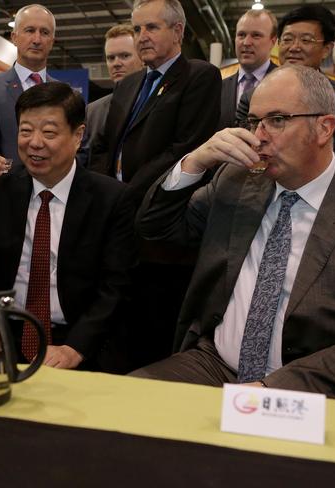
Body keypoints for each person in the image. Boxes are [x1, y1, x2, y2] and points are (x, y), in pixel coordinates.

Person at [132, 65, 335, 400]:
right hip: (213, 367)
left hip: (306, 388)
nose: (259, 136)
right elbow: (156, 228)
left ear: (324, 127)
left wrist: (269, 390)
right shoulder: (236, 181)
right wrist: (195, 162)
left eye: (277, 120)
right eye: (254, 121)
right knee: (124, 406)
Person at [0, 82, 137, 372]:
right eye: (25, 130)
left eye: (49, 132)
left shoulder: (112, 198)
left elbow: (116, 287)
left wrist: (76, 348)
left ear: (78, 135)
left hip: (79, 339)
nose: (35, 142)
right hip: (3, 336)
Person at [89, 0, 222, 369]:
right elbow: (105, 145)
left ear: (178, 32)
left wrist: (123, 196)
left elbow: (184, 148)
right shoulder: (129, 84)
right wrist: (101, 190)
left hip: (161, 229)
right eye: (137, 29)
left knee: (155, 332)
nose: (142, 37)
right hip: (118, 223)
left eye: (152, 28)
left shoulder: (199, 76)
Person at [237, 5, 335, 172]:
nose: (294, 47)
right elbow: (243, 153)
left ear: (327, 49)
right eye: (288, 39)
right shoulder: (251, 98)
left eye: (306, 40)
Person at [0, 4, 56, 167]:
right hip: (7, 188)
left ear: (52, 42)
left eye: (44, 32)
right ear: (14, 37)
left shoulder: (65, 93)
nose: (37, 40)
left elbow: (77, 148)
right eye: (30, 30)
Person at [85, 24, 143, 147]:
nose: (116, 63)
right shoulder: (92, 112)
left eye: (125, 56)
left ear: (142, 59)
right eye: (111, 58)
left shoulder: (158, 103)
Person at [218, 9, 277, 130]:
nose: (246, 42)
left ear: (273, 41)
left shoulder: (285, 84)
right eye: (241, 35)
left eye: (256, 35)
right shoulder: (218, 87)